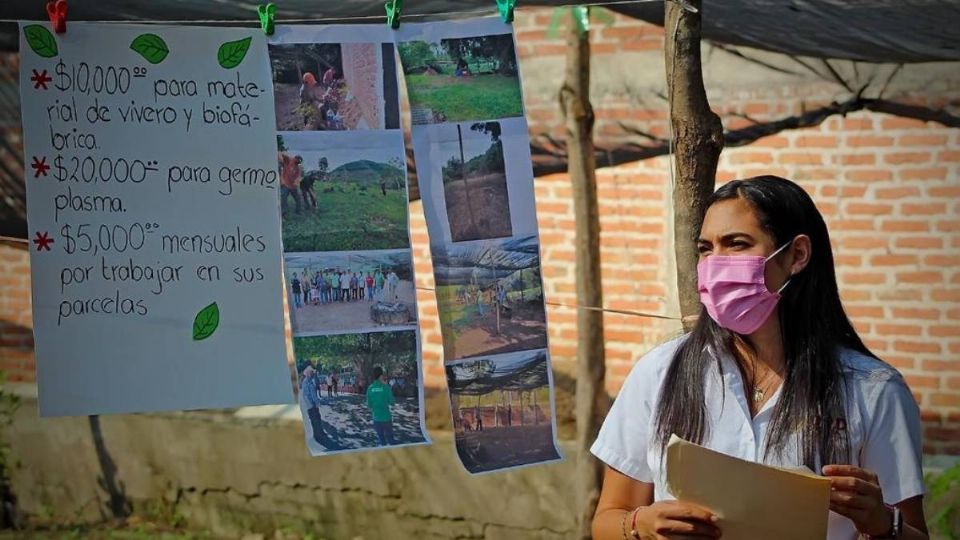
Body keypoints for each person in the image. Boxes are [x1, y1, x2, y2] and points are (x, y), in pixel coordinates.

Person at [590, 176, 927, 540]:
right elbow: (608, 519)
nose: (716, 264)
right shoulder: (660, 371)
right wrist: (641, 525)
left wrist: (882, 524)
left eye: (737, 244)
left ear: (796, 255)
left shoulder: (872, 390)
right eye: (706, 248)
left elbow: (913, 531)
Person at [366, 366, 396, 446]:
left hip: (376, 419)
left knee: (381, 440)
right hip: (387, 418)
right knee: (391, 439)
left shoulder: (370, 388)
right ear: (381, 376)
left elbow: (369, 405)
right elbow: (392, 402)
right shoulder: (386, 387)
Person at [300, 365, 326, 446]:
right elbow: (309, 395)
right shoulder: (307, 382)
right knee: (316, 420)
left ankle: (319, 434)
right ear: (307, 373)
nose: (313, 373)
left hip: (311, 405)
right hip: (312, 406)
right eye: (311, 372)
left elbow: (309, 394)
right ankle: (318, 436)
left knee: (316, 420)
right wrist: (314, 404)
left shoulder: (307, 381)